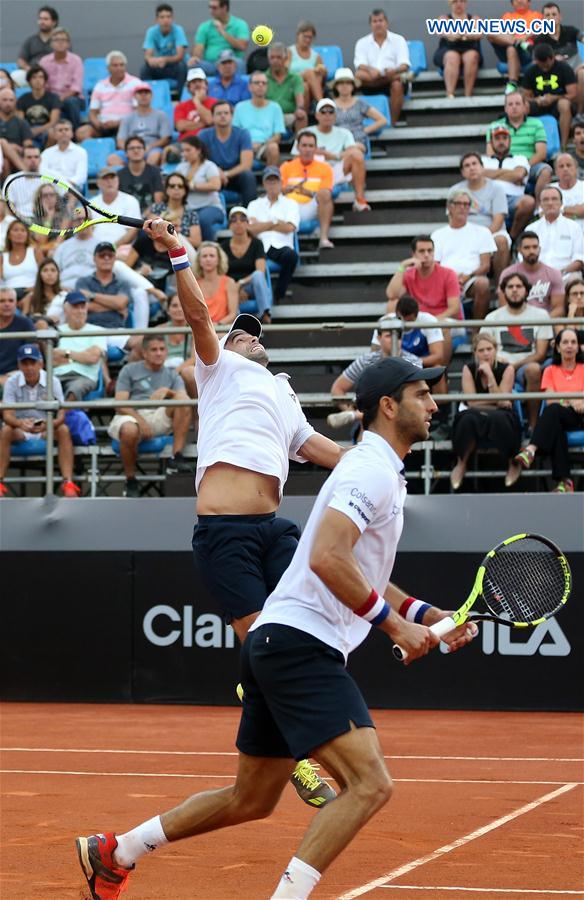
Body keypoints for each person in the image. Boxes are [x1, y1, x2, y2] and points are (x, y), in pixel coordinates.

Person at [75, 341, 477, 898]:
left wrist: (420, 612)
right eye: (423, 393)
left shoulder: (376, 470)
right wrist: (393, 626)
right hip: (299, 645)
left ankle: (114, 852)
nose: (435, 404)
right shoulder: (371, 472)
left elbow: (355, 564)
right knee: (368, 784)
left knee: (252, 800)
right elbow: (326, 557)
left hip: (278, 643)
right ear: (388, 405)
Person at [143, 215, 347, 806]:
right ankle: (300, 760)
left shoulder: (281, 391)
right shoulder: (217, 369)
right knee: (265, 645)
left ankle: (272, 711)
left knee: (297, 635)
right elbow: (201, 317)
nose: (251, 337)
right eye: (242, 333)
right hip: (225, 532)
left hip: (274, 527)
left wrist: (376, 460)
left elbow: (317, 449)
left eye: (256, 334)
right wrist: (180, 253)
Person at [108, 334, 193, 496]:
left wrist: (168, 392)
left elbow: (183, 398)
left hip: (159, 416)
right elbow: (120, 404)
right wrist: (141, 422)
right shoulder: (129, 369)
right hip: (133, 415)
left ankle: (176, 458)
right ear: (145, 353)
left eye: (162, 349)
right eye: (154, 350)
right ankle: (130, 480)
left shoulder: (172, 374)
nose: (159, 353)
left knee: (183, 402)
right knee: (129, 430)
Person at [0, 343, 80, 499]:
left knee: (63, 430)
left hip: (46, 428)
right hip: (20, 428)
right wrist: (20, 424)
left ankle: (68, 482)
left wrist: (46, 425)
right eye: (25, 363)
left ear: (40, 363)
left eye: (32, 363)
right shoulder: (11, 382)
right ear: (19, 365)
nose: (29, 368)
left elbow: (60, 416)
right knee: (6, 430)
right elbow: (7, 416)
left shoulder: (53, 381)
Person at [514, 327, 584, 493]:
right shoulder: (550, 371)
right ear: (558, 347)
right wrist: (575, 400)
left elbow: (559, 400)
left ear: (578, 347)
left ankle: (531, 449)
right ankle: (565, 482)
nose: (569, 346)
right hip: (564, 414)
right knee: (555, 422)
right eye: (565, 342)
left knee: (554, 413)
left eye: (573, 342)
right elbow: (551, 399)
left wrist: (576, 401)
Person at [450, 331, 522, 491]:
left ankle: (512, 462)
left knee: (500, 419)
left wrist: (490, 377)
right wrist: (497, 401)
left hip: (500, 414)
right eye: (481, 350)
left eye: (489, 349)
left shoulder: (507, 369)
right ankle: (462, 462)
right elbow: (472, 401)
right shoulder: (468, 369)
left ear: (495, 350)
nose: (486, 353)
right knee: (467, 419)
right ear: (475, 353)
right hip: (476, 412)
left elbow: (501, 401)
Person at [483, 271, 554, 430]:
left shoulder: (541, 315)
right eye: (510, 287)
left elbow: (541, 354)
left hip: (526, 367)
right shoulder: (492, 318)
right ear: (503, 291)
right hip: (498, 367)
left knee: (534, 369)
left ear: (527, 291)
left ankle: (534, 426)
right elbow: (483, 349)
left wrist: (514, 366)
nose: (514, 290)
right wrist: (498, 362)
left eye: (519, 286)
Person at [386, 234, 461, 364]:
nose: (426, 255)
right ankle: (393, 365)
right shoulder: (409, 274)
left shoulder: (448, 274)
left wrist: (432, 322)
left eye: (430, 251)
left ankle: (441, 372)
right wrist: (402, 266)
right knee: (392, 304)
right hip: (418, 319)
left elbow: (454, 308)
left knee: (443, 327)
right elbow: (392, 294)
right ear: (414, 254)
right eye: (421, 251)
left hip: (443, 319)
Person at [431, 189, 496, 320]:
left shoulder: (482, 232)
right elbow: (435, 265)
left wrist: (467, 276)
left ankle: (476, 330)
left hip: (471, 278)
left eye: (466, 204)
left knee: (483, 283)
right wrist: (451, 278)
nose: (463, 207)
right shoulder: (438, 234)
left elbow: (486, 265)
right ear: (450, 207)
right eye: (459, 203)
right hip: (445, 279)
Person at [299, 98, 371, 213]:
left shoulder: (344, 133)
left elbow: (352, 151)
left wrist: (331, 156)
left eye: (331, 112)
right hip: (313, 170)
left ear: (335, 116)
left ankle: (359, 199)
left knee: (357, 155)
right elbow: (296, 157)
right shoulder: (306, 132)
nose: (327, 115)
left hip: (336, 169)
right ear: (317, 115)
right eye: (323, 112)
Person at [450, 151, 510, 282]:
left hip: (492, 232)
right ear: (462, 172)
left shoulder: (497, 188)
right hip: (464, 233)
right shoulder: (455, 191)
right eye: (467, 166)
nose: (471, 168)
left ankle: (501, 285)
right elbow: (453, 220)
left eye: (474, 164)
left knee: (501, 241)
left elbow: (498, 221)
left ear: (482, 167)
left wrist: (480, 239)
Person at [246, 166, 299, 305]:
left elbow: (289, 227)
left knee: (292, 256)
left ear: (281, 182)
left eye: (275, 181)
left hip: (280, 246)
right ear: (264, 184)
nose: (272, 184)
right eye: (269, 181)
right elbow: (250, 229)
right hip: (258, 246)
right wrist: (275, 222)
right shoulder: (254, 204)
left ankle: (278, 294)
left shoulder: (291, 204)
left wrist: (262, 224)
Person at [485, 90, 551, 200]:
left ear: (525, 106)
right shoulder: (495, 126)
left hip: (531, 164)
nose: (514, 107)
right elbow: (490, 153)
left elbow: (541, 153)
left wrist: (523, 168)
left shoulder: (536, 124)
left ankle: (539, 208)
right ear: (505, 108)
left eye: (517, 104)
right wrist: (513, 174)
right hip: (502, 164)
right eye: (510, 104)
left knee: (545, 171)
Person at [354, 8, 411, 127]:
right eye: (375, 21)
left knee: (397, 83)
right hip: (371, 80)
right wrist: (371, 70)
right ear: (370, 24)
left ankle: (391, 124)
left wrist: (393, 71)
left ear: (386, 23)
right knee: (358, 75)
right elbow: (360, 65)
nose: (378, 24)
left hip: (389, 80)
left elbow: (404, 65)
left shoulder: (399, 40)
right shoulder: (361, 42)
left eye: (381, 20)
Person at [280, 130, 335, 250]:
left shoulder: (325, 168)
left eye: (311, 146)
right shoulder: (286, 166)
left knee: (325, 195)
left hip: (311, 206)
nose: (307, 149)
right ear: (298, 147)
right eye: (304, 145)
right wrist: (286, 190)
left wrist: (308, 192)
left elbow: (326, 193)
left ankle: (324, 238)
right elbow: (278, 191)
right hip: (289, 205)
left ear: (316, 149)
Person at [481, 123, 535, 240]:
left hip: (513, 199)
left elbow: (518, 175)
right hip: (488, 199)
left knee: (528, 202)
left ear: (510, 141)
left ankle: (513, 238)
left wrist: (490, 174)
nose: (501, 142)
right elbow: (479, 175)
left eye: (505, 138)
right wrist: (510, 175)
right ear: (491, 142)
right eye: (497, 138)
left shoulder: (520, 158)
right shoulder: (482, 160)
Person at [198, 100, 257, 206]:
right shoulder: (203, 135)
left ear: (232, 116)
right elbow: (198, 161)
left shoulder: (243, 134)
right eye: (219, 113)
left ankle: (249, 214)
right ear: (212, 117)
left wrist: (225, 174)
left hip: (235, 177)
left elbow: (246, 165)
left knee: (248, 176)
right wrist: (215, 172)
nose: (223, 116)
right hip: (211, 177)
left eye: (226, 113)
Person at [52, 291, 107, 400]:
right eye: (75, 307)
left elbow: (92, 358)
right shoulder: (57, 331)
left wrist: (65, 353)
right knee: (42, 387)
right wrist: (82, 356)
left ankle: (62, 416)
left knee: (75, 388)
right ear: (65, 310)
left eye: (83, 307)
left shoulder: (98, 331)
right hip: (57, 376)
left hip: (84, 377)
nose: (80, 311)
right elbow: (52, 359)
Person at [221, 206, 272, 323]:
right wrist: (235, 289)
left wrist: (241, 284)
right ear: (229, 225)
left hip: (251, 285)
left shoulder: (257, 244)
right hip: (230, 287)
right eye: (234, 220)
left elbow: (260, 270)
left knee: (258, 276)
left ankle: (265, 314)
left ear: (248, 223)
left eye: (242, 219)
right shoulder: (223, 246)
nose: (238, 223)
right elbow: (221, 272)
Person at [522, 42, 577, 150]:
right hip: (538, 103)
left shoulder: (564, 68)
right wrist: (536, 100)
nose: (544, 68)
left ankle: (563, 145)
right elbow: (525, 96)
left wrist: (554, 97)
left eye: (546, 65)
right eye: (540, 65)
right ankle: (526, 144)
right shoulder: (531, 71)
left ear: (552, 58)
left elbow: (573, 93)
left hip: (558, 103)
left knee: (564, 105)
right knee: (522, 106)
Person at [498, 230, 564, 318]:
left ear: (539, 249)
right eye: (527, 247)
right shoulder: (508, 274)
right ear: (519, 250)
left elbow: (559, 309)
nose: (531, 251)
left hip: (545, 322)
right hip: (516, 321)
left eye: (535, 247)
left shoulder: (554, 273)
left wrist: (540, 323)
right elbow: (504, 307)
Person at [77, 51, 140, 142]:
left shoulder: (135, 83)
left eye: (121, 65)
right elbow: (93, 112)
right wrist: (98, 124)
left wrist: (119, 123)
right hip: (104, 126)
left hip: (126, 125)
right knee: (82, 132)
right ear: (108, 68)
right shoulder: (100, 85)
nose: (119, 68)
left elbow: (139, 111)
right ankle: (99, 153)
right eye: (115, 65)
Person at [174, 135, 224, 241]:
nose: (185, 154)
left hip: (210, 207)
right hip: (187, 209)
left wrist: (192, 186)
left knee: (202, 220)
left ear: (198, 150)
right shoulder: (181, 167)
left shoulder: (209, 166)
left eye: (188, 150)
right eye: (183, 151)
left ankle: (209, 249)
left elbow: (216, 185)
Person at [110, 82, 171, 168]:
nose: (143, 96)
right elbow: (120, 140)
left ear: (151, 95)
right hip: (131, 147)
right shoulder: (127, 118)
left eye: (146, 93)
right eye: (140, 93)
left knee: (154, 157)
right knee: (113, 159)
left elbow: (165, 138)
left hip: (151, 148)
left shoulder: (161, 115)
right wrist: (130, 149)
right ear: (135, 96)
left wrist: (150, 146)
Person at [530, 185, 584, 281]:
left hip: (566, 275)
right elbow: (523, 257)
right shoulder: (531, 229)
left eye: (554, 199)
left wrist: (559, 273)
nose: (550, 203)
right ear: (540, 205)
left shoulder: (574, 227)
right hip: (537, 276)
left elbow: (579, 260)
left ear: (561, 204)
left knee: (575, 280)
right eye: (546, 200)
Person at [487, 0, 542, 90]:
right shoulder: (507, 16)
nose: (519, 1)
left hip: (527, 51)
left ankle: (512, 83)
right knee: (490, 32)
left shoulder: (536, 15)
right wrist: (515, 40)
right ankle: (516, 43)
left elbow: (541, 31)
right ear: (512, 3)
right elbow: (501, 34)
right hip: (506, 50)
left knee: (511, 49)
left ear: (529, 2)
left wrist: (525, 36)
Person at [233, 70, 285, 166]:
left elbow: (277, 136)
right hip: (244, 146)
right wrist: (248, 144)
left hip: (264, 146)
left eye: (264, 83)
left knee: (273, 148)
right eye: (257, 83)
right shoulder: (240, 107)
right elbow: (234, 132)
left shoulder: (275, 107)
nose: (261, 85)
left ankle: (270, 178)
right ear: (250, 86)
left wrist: (261, 144)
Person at [332, 67, 387, 156]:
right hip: (337, 140)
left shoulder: (360, 104)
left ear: (353, 86)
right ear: (336, 86)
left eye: (348, 83)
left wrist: (364, 130)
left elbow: (382, 120)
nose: (344, 86)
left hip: (357, 141)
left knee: (354, 151)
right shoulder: (330, 105)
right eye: (341, 83)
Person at [432, 0, 482, 99]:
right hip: (448, 49)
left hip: (469, 49)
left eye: (462, 1)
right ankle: (450, 94)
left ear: (466, 3)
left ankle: (468, 95)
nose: (459, 4)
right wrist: (458, 34)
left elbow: (479, 33)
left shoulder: (474, 18)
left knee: (471, 56)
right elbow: (441, 31)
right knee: (452, 57)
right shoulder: (444, 18)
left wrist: (461, 34)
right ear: (451, 4)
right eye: (455, 1)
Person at [38, 27, 84, 131]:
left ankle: (75, 134)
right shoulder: (44, 61)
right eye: (56, 40)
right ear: (51, 43)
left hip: (72, 97)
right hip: (51, 97)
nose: (60, 43)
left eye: (63, 40)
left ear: (68, 44)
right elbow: (41, 83)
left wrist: (60, 99)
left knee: (71, 102)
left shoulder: (76, 60)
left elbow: (76, 88)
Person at [75, 242, 130, 329]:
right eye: (102, 255)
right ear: (94, 259)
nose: (106, 258)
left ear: (115, 258)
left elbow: (121, 303)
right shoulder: (82, 282)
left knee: (136, 341)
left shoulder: (123, 283)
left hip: (116, 329)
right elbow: (82, 307)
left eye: (110, 255)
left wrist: (91, 295)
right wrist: (115, 307)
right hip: (89, 329)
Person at [188, 0, 249, 76]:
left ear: (224, 8)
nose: (211, 11)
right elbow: (199, 47)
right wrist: (195, 57)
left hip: (231, 63)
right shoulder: (205, 26)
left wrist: (222, 32)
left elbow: (242, 46)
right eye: (210, 7)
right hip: (211, 64)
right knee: (194, 64)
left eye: (214, 8)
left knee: (240, 64)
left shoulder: (240, 24)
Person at [140, 2, 188, 94]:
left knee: (182, 67)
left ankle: (180, 97)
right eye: (162, 17)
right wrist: (151, 61)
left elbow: (180, 56)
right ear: (157, 20)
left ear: (172, 19)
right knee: (145, 69)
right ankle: (147, 95)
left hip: (175, 65)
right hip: (159, 65)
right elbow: (148, 55)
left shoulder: (178, 30)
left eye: (168, 17)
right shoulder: (151, 31)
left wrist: (164, 59)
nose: (165, 20)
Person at [89, 168, 142, 249]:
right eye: (105, 178)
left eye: (112, 178)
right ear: (98, 183)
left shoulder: (131, 201)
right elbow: (88, 231)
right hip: (94, 249)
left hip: (123, 249)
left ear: (118, 180)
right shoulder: (91, 203)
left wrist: (112, 248)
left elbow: (133, 230)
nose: (109, 181)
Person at [150, 172, 202, 247]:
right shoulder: (157, 208)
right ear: (167, 189)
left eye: (180, 186)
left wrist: (176, 235)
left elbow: (197, 242)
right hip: (159, 248)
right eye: (172, 186)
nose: (176, 188)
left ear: (185, 190)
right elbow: (151, 232)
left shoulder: (191, 214)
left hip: (183, 249)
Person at [192, 240, 238, 324]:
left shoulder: (229, 283)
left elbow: (233, 314)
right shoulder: (194, 285)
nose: (208, 259)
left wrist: (218, 324)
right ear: (199, 261)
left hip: (222, 329)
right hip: (201, 329)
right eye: (204, 256)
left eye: (212, 256)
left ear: (218, 260)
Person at [265, 43, 307, 135]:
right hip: (267, 116)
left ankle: (299, 147)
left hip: (288, 116)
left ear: (285, 59)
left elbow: (299, 97)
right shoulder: (263, 78)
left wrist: (300, 108)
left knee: (302, 116)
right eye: (272, 58)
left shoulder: (295, 78)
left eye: (278, 57)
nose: (275, 61)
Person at [116, 135, 165, 213]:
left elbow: (158, 202)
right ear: (126, 153)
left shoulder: (156, 172)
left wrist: (145, 215)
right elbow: (119, 203)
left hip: (151, 216)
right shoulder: (119, 175)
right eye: (132, 148)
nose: (136, 151)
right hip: (128, 217)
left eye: (139, 147)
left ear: (145, 151)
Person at [16, 65, 61, 148]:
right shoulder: (22, 99)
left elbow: (53, 122)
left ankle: (46, 156)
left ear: (45, 80)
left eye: (41, 77)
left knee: (52, 133)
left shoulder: (54, 98)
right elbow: (20, 122)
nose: (38, 80)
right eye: (34, 77)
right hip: (29, 131)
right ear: (29, 81)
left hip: (47, 130)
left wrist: (38, 130)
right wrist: (28, 131)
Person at [286, 20, 327, 112]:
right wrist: (304, 74)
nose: (308, 40)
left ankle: (303, 116)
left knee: (305, 86)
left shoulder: (316, 56)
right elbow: (285, 74)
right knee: (309, 73)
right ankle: (322, 104)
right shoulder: (289, 52)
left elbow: (322, 75)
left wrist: (323, 71)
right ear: (298, 35)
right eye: (305, 36)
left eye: (310, 37)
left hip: (309, 90)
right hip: (291, 85)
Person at [0, 289, 36, 387]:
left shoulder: (25, 324)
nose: (7, 304)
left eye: (10, 301)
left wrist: (11, 376)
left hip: (17, 374)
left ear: (16, 304)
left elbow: (32, 357)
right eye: (2, 301)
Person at [0, 220, 42, 300]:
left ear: (27, 234)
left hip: (32, 293)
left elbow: (44, 275)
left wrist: (35, 289)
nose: (19, 233)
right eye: (15, 230)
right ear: (9, 235)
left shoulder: (35, 252)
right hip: (9, 296)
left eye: (23, 230)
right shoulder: (2, 257)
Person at [39, 118, 87, 188]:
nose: (64, 132)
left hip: (73, 187)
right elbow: (42, 172)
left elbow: (81, 176)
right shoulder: (46, 153)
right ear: (54, 135)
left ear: (72, 133)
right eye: (60, 130)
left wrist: (65, 185)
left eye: (66, 129)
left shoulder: (81, 152)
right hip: (52, 187)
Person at [172, 67, 216, 142]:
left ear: (206, 85)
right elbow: (180, 127)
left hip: (208, 142)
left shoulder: (215, 103)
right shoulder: (181, 106)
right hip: (186, 143)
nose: (197, 84)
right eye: (193, 82)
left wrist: (197, 101)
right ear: (188, 88)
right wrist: (204, 124)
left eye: (200, 81)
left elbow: (209, 120)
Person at [17, 6, 60, 77]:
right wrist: (30, 70)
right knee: (16, 76)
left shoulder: (60, 40)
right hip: (32, 74)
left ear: (54, 22)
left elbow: (67, 59)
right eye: (40, 19)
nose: (42, 22)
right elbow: (21, 61)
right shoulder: (30, 40)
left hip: (54, 74)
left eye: (45, 19)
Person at [0, 87, 33, 173]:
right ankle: (25, 171)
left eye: (11, 100)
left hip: (15, 157)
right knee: (2, 142)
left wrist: (17, 148)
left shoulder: (22, 122)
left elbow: (28, 147)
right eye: (5, 100)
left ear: (15, 102)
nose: (8, 103)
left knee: (6, 162)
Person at [554, 153, 584, 233]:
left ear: (576, 168)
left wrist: (560, 210)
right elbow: (544, 214)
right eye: (561, 166)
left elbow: (553, 212)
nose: (565, 169)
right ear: (556, 171)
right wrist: (577, 212)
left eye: (569, 165)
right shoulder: (550, 189)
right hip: (558, 234)